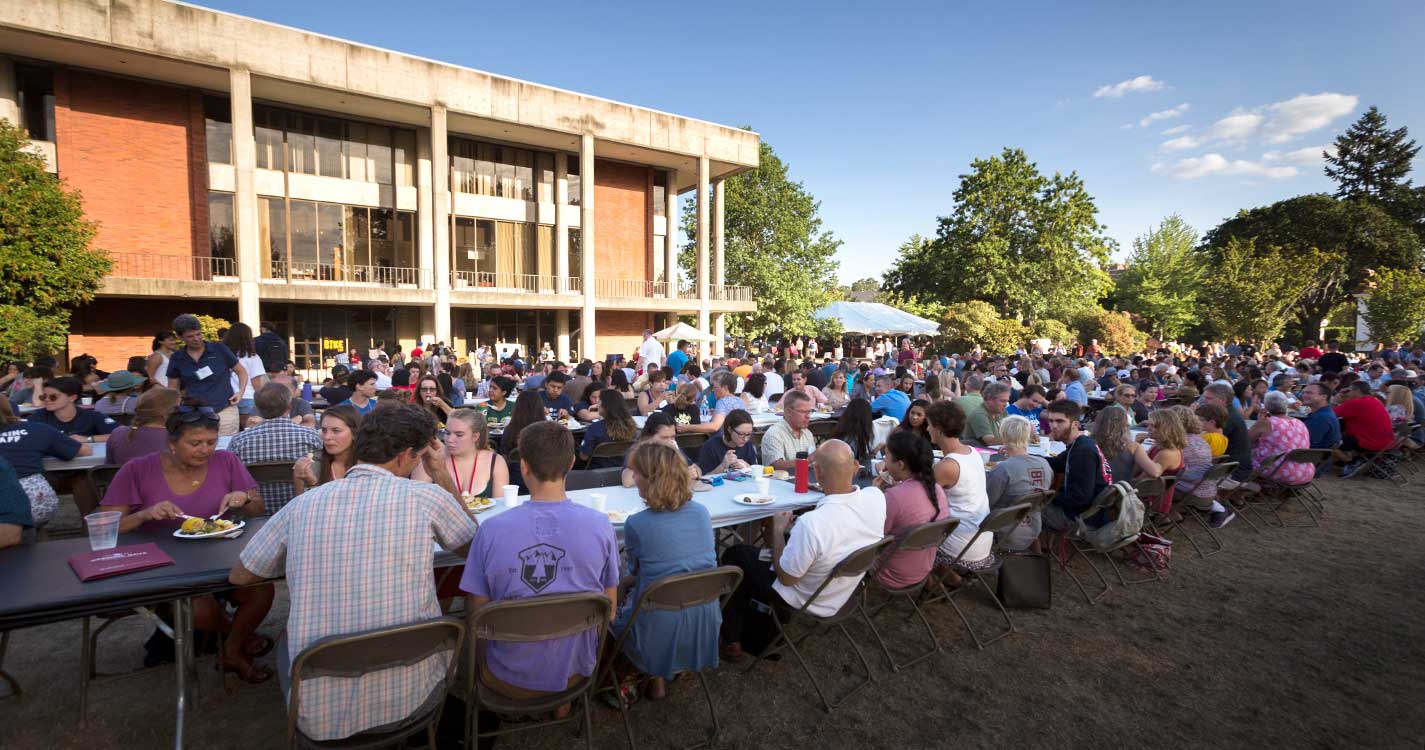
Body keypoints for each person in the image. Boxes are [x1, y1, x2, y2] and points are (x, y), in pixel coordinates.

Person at [230, 403, 478, 738]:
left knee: (291, 640)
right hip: (415, 696)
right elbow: (474, 550)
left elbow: (241, 576)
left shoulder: (303, 504)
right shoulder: (427, 497)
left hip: (318, 718)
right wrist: (442, 476)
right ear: (407, 455)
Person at [103, 404, 273, 683]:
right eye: (194, 443)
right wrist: (144, 514)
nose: (205, 450)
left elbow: (258, 510)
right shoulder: (138, 469)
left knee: (260, 590)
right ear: (171, 443)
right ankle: (240, 638)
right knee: (198, 607)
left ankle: (231, 650)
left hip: (220, 555)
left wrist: (244, 498)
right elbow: (104, 525)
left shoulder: (226, 461)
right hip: (162, 563)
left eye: (210, 442)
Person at [458, 421, 619, 704]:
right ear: (571, 463)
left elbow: (476, 617)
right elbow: (610, 610)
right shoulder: (601, 525)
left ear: (523, 466)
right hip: (577, 672)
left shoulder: (491, 530)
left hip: (505, 676)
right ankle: (562, 702)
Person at [719, 440, 886, 657]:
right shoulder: (876, 498)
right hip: (842, 589)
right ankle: (740, 635)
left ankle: (733, 639)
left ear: (816, 471)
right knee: (749, 558)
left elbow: (787, 579)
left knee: (736, 555)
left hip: (805, 596)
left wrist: (778, 531)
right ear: (856, 466)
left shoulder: (813, 523)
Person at [614, 441, 720, 699]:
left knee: (614, 603)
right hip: (703, 623)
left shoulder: (637, 524)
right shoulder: (702, 513)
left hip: (655, 629)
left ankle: (630, 675)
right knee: (663, 590)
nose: (634, 478)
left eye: (636, 472)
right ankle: (658, 675)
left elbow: (638, 574)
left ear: (651, 479)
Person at [924, 400, 993, 581]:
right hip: (981, 538)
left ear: (939, 429)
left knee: (909, 532)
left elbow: (917, 495)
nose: (927, 429)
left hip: (962, 545)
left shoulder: (948, 466)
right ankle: (947, 579)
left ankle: (938, 582)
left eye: (929, 425)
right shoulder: (972, 452)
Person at [871, 430, 949, 588]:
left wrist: (874, 495)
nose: (884, 460)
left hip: (890, 573)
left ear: (900, 464)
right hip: (923, 568)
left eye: (886, 456)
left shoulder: (893, 497)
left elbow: (872, 537)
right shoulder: (936, 489)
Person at [230, 384, 323, 515]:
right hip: (302, 511)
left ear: (258, 408)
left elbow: (232, 478)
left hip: (256, 514)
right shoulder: (311, 436)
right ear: (289, 406)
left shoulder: (238, 441)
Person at [0, 399, 88, 527]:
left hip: (15, 501)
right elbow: (83, 450)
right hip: (37, 498)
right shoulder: (36, 428)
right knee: (34, 526)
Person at [166, 314, 247, 436]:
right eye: (190, 336)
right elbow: (172, 388)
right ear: (180, 337)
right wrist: (176, 408)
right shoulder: (177, 358)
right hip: (194, 413)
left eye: (199, 334)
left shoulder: (219, 349)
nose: (196, 339)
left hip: (224, 408)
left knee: (224, 448)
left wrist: (240, 392)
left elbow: (241, 371)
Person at [413, 408, 507, 506]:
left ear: (475, 436)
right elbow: (416, 502)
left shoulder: (496, 462)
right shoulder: (432, 458)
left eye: (459, 435)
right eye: (447, 433)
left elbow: (500, 508)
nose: (450, 439)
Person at [983, 416, 1052, 551]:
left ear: (1002, 436)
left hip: (1003, 531)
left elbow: (986, 503)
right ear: (1027, 436)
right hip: (1034, 528)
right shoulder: (1045, 464)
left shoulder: (1003, 469)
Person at [1041, 400, 1110, 533]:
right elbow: (1056, 463)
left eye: (1060, 421)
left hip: (1083, 520)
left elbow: (1080, 498)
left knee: (1027, 507)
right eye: (1050, 421)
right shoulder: (1081, 443)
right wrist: (1023, 457)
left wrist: (1045, 497)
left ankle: (1036, 550)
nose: (1053, 426)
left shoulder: (1082, 451)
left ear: (1075, 424)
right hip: (1091, 513)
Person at [293, 405, 361, 496]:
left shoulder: (369, 465)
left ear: (354, 433)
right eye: (324, 430)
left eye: (336, 431)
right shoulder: (310, 465)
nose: (327, 437)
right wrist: (311, 483)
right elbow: (302, 507)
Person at [1332, 381, 1395, 478]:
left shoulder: (1357, 403)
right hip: (1385, 442)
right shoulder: (1374, 400)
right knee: (1341, 427)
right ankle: (1346, 460)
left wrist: (1337, 399)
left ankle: (1352, 462)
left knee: (1328, 442)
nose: (1347, 393)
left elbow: (1330, 415)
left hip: (1369, 442)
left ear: (1357, 390)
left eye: (1349, 390)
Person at [28, 376, 118, 442]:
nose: (47, 399)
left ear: (72, 398)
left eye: (53, 396)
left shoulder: (91, 416)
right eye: (44, 396)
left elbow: (122, 435)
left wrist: (88, 439)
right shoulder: (37, 417)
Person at [107, 387, 181, 465]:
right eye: (180, 408)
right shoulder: (177, 439)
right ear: (165, 414)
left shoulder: (117, 433)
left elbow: (107, 470)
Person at [1201, 383, 1253, 487]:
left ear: (1223, 400)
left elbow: (1207, 446)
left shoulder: (1226, 418)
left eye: (1209, 398)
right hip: (1234, 467)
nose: (1204, 401)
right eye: (1204, 397)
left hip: (1232, 472)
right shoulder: (1227, 413)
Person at [1093, 405, 1161, 485]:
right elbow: (1155, 472)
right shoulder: (1133, 447)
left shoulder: (1090, 443)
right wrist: (1160, 463)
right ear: (1125, 424)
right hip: (1119, 492)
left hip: (1095, 491)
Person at [223, 323, 267, 429]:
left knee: (229, 432)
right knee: (248, 431)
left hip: (227, 398)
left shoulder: (223, 355)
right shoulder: (252, 357)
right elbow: (256, 383)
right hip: (247, 397)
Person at [580, 389, 638, 468]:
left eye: (599, 401)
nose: (597, 404)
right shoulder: (632, 427)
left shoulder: (595, 428)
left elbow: (584, 457)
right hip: (621, 468)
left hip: (597, 470)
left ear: (605, 406)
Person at [761, 390, 818, 471]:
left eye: (810, 411)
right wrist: (810, 458)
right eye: (803, 412)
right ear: (788, 412)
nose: (808, 416)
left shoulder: (807, 433)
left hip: (805, 480)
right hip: (782, 482)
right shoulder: (774, 434)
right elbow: (776, 466)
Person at [696, 408, 758, 475]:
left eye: (749, 434)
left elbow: (756, 472)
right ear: (730, 430)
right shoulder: (710, 447)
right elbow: (703, 478)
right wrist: (723, 466)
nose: (745, 439)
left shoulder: (748, 444)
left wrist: (747, 466)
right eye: (741, 434)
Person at [498, 390, 550, 465]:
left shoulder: (509, 430)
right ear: (540, 407)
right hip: (542, 473)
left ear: (517, 407)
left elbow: (504, 457)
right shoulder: (547, 430)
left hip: (514, 473)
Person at [963, 382, 1009, 448]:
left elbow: (1012, 429)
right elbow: (990, 441)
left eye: (1006, 401)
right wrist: (1016, 439)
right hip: (981, 454)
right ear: (989, 399)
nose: (1005, 404)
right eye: (1002, 401)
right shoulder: (979, 414)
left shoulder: (1001, 411)